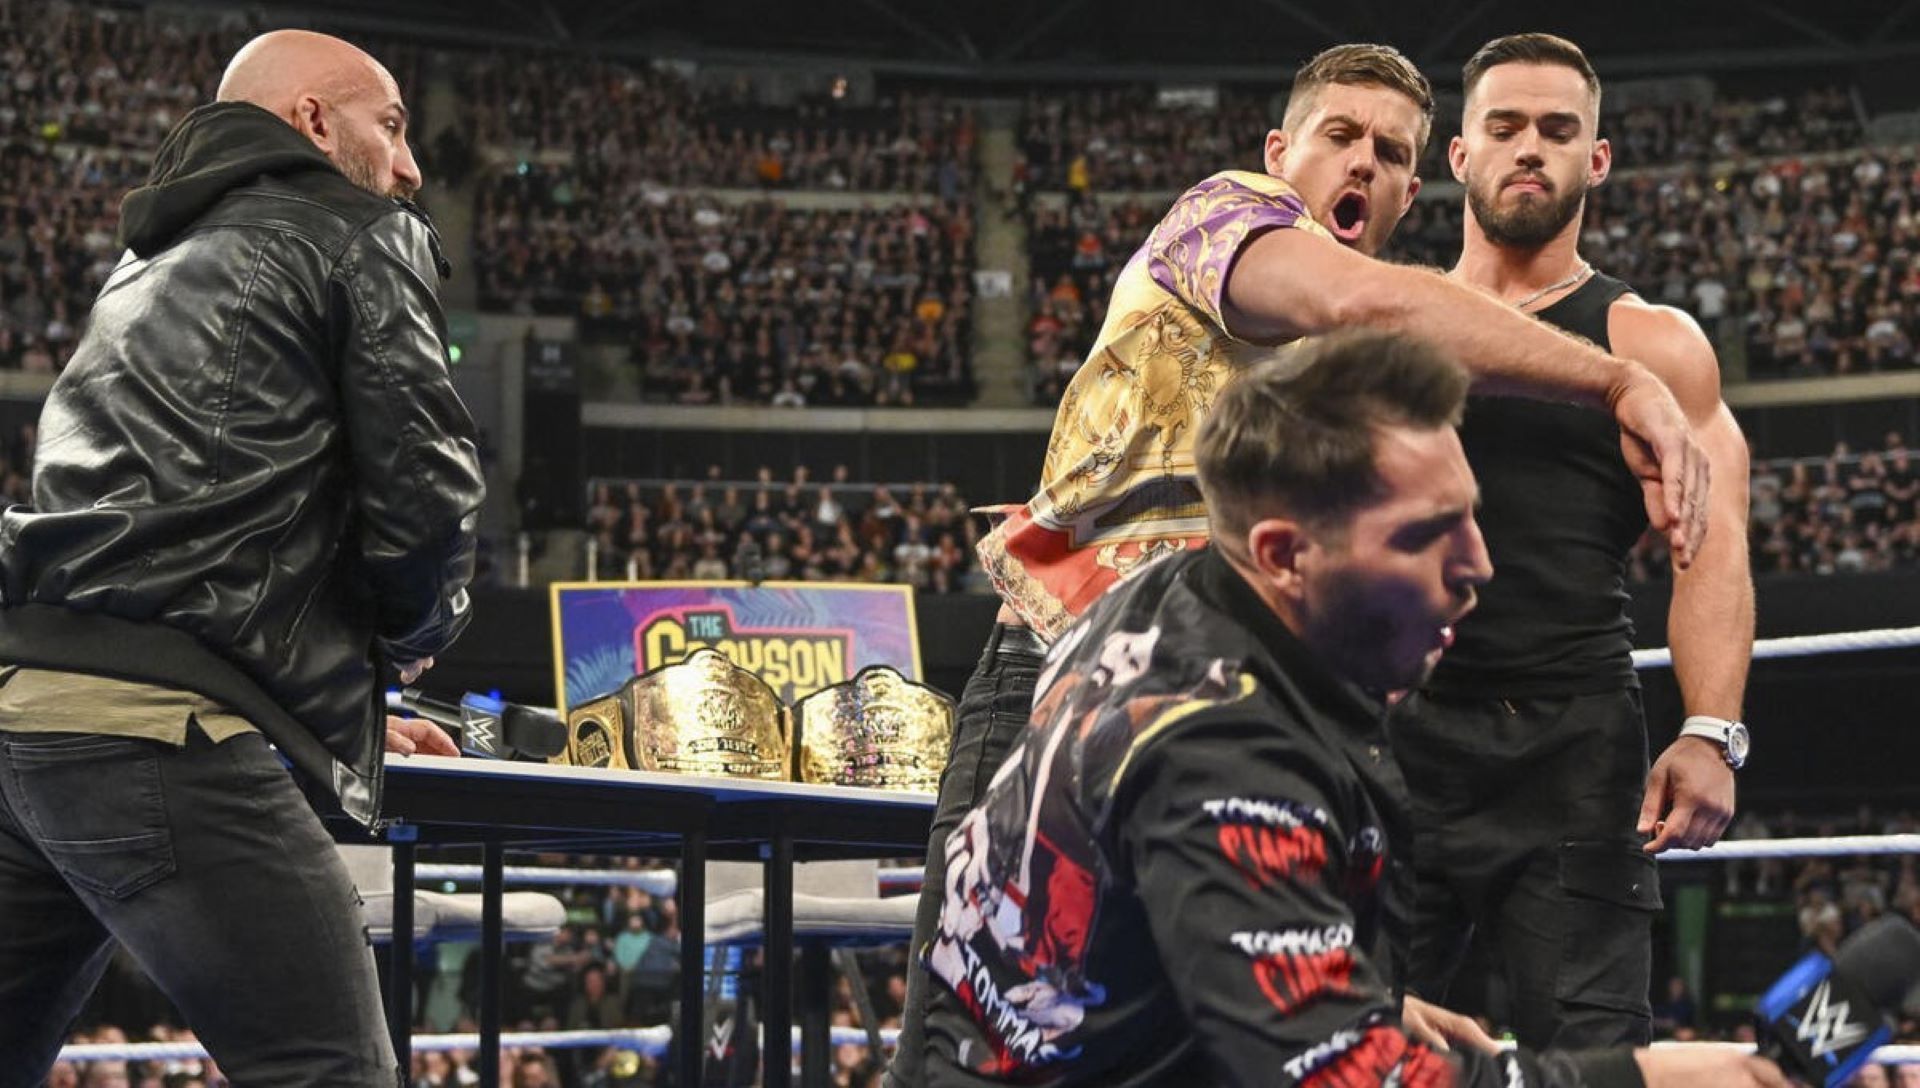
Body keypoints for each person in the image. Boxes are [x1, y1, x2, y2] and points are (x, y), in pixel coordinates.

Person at [889, 41, 1712, 1085]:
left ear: (1419, 185)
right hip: (1066, 687)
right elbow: (1362, 300)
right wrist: (1614, 382)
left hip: (1249, 717)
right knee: (982, 1036)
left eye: (1390, 152)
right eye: (1340, 137)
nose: (1361, 164)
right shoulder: (1225, 219)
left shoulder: (1351, 387)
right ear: (1282, 151)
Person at [921, 331, 1783, 1088]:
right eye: (1421, 535)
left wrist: (1333, 985)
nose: (1479, 566)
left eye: (1469, 519)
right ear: (1285, 554)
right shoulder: (1224, 754)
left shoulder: (1170, 596)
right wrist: (1645, 1081)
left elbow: (1141, 912)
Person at [0, 29, 482, 1085]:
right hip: (156, 734)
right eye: (391, 126)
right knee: (335, 1068)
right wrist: (407, 642)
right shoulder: (357, 229)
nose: (409, 166)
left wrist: (338, 692)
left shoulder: (147, 259)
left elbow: (180, 532)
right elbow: (424, 491)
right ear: (313, 121)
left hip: (29, 724)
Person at [1390, 33, 1755, 1050]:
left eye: (1558, 131)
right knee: (1368, 1051)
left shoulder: (1653, 340)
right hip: (1395, 736)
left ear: (1596, 160)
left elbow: (1714, 540)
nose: (1529, 150)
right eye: (1503, 128)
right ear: (1459, 157)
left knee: (1592, 1056)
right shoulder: (1383, 325)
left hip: (1574, 750)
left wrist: (1711, 728)